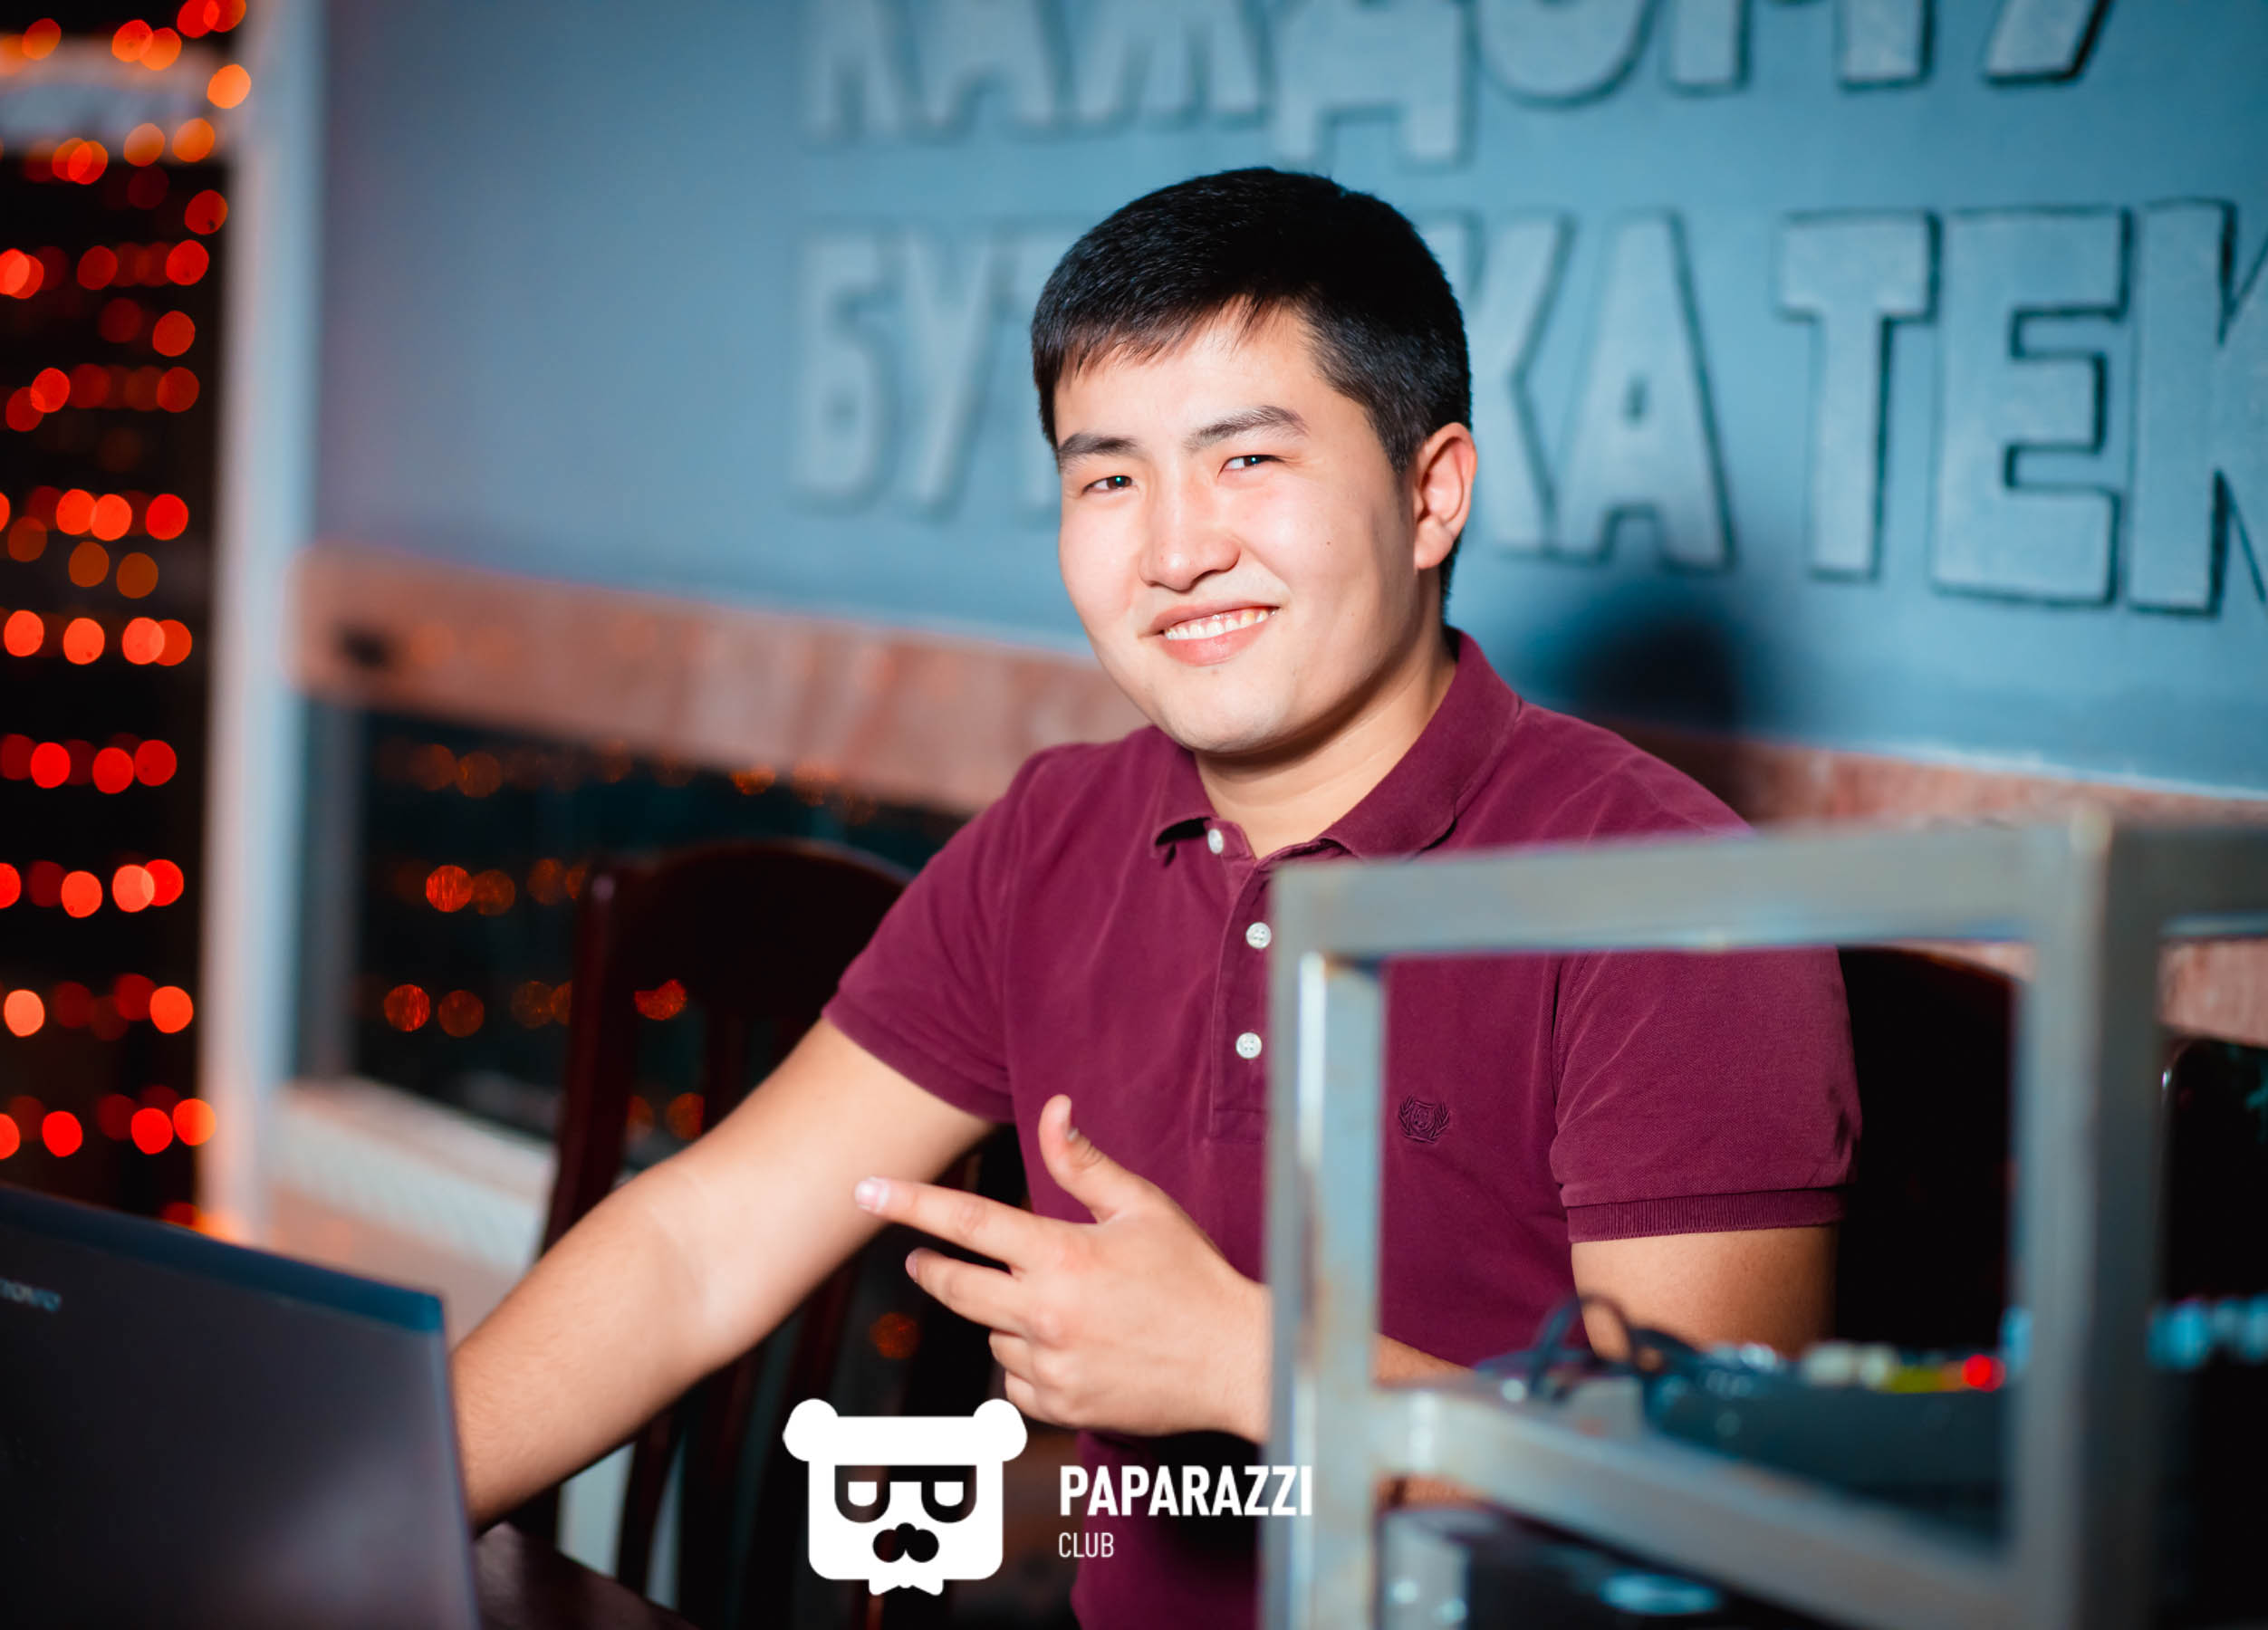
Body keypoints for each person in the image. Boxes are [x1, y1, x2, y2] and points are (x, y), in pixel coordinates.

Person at [450, 168, 1859, 1626]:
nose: (1177, 552)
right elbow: (700, 1245)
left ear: (1430, 493)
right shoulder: (1053, 835)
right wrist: (371, 1503)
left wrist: (1257, 1370)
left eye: (1247, 459)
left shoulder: (1669, 903)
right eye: (1109, 478)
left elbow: (1712, 1509)